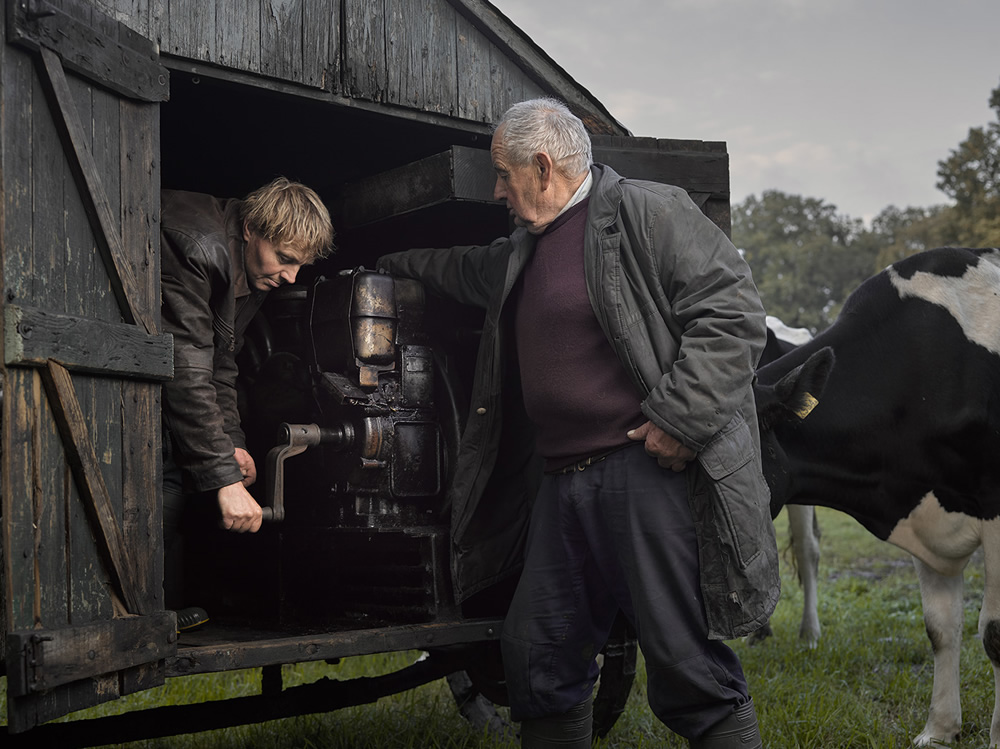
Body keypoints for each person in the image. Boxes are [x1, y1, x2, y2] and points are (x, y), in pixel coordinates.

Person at [377, 99, 778, 748]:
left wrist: (679, 417)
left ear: (542, 166)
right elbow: (457, 268)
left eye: (504, 176)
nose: (499, 191)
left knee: (686, 663)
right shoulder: (521, 253)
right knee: (540, 655)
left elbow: (733, 316)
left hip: (643, 474)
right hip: (560, 487)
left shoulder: (649, 212)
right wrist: (384, 258)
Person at [160, 177, 334, 624]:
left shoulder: (253, 270)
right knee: (165, 470)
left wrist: (232, 444)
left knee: (183, 472)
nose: (292, 277)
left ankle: (157, 609)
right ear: (251, 229)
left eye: (301, 265)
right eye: (286, 259)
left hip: (178, 373)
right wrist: (225, 481)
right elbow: (186, 368)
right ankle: (139, 612)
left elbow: (220, 363)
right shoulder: (198, 248)